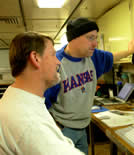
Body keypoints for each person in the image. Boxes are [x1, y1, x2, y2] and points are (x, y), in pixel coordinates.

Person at [44, 17, 134, 155]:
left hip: (83, 128)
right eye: (90, 38)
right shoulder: (56, 63)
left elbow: (112, 57)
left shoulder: (92, 56)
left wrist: (129, 51)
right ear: (73, 38)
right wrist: (55, 129)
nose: (95, 44)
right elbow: (41, 103)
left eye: (96, 38)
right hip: (63, 130)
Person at [0, 32, 85, 155]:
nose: (58, 62)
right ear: (35, 58)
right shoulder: (28, 122)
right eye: (53, 55)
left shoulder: (17, 98)